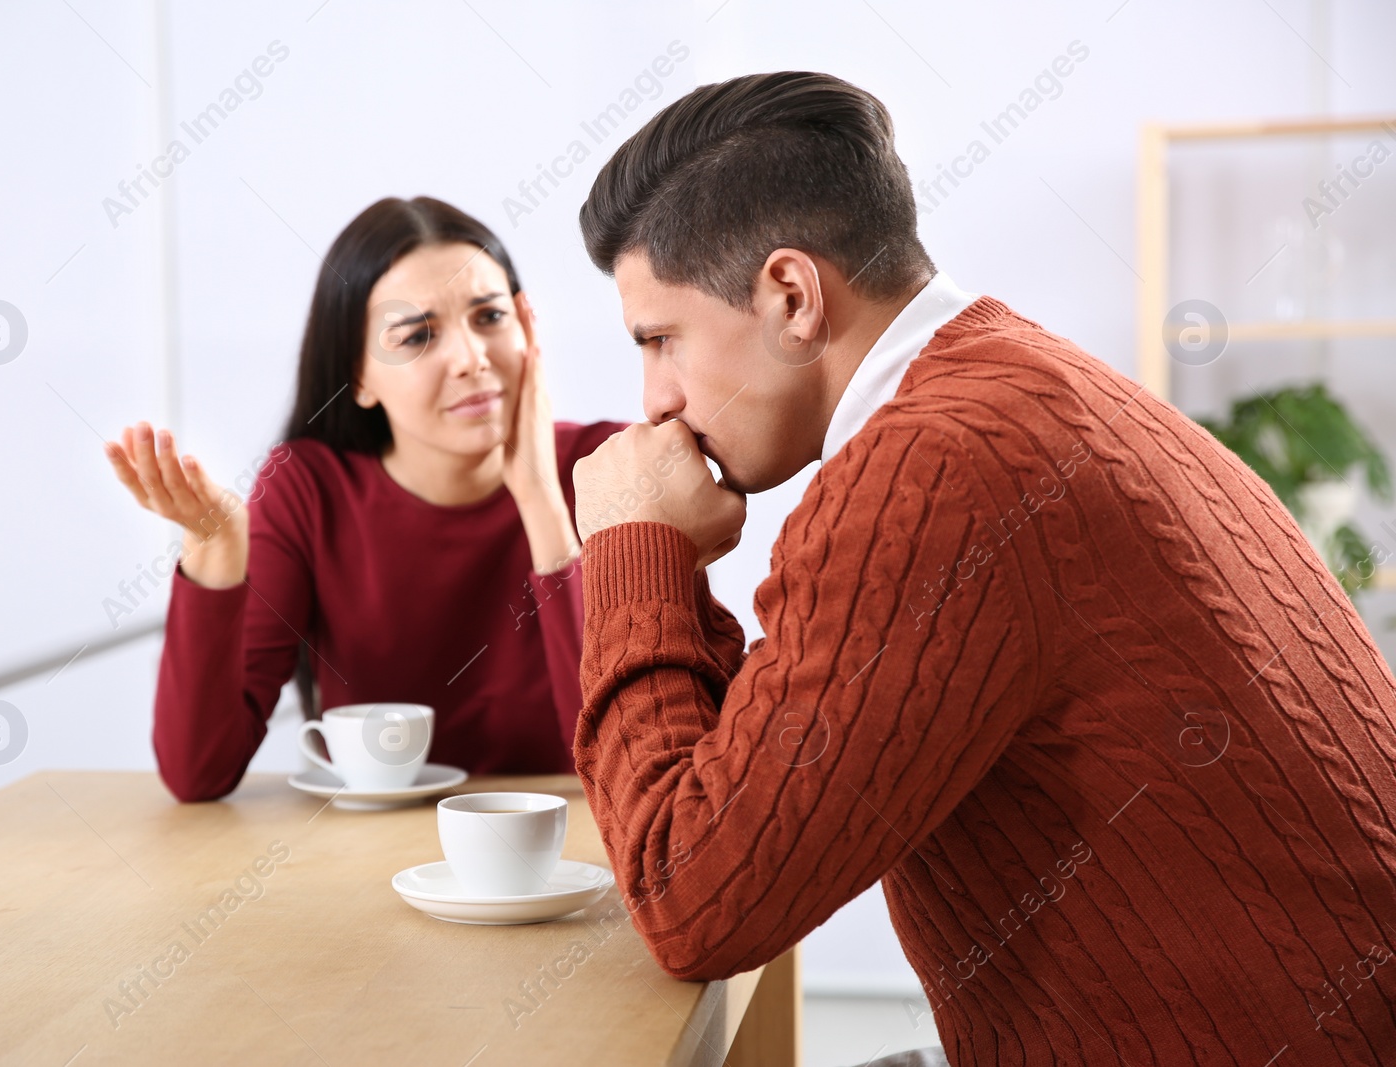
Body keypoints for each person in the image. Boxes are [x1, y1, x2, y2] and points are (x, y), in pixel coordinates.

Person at [568, 71, 1396, 1066]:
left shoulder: (937, 471)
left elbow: (691, 900)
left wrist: (631, 553)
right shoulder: (1029, 386)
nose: (653, 400)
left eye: (660, 340)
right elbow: (766, 777)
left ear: (791, 294)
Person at [104, 196, 623, 802]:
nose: (471, 359)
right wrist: (215, 554)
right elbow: (199, 773)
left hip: (571, 854)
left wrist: (540, 501)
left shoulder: (612, 468)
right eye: (417, 336)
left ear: (527, 327)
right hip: (367, 858)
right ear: (359, 378)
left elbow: (624, 762)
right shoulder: (308, 490)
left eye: (489, 317)